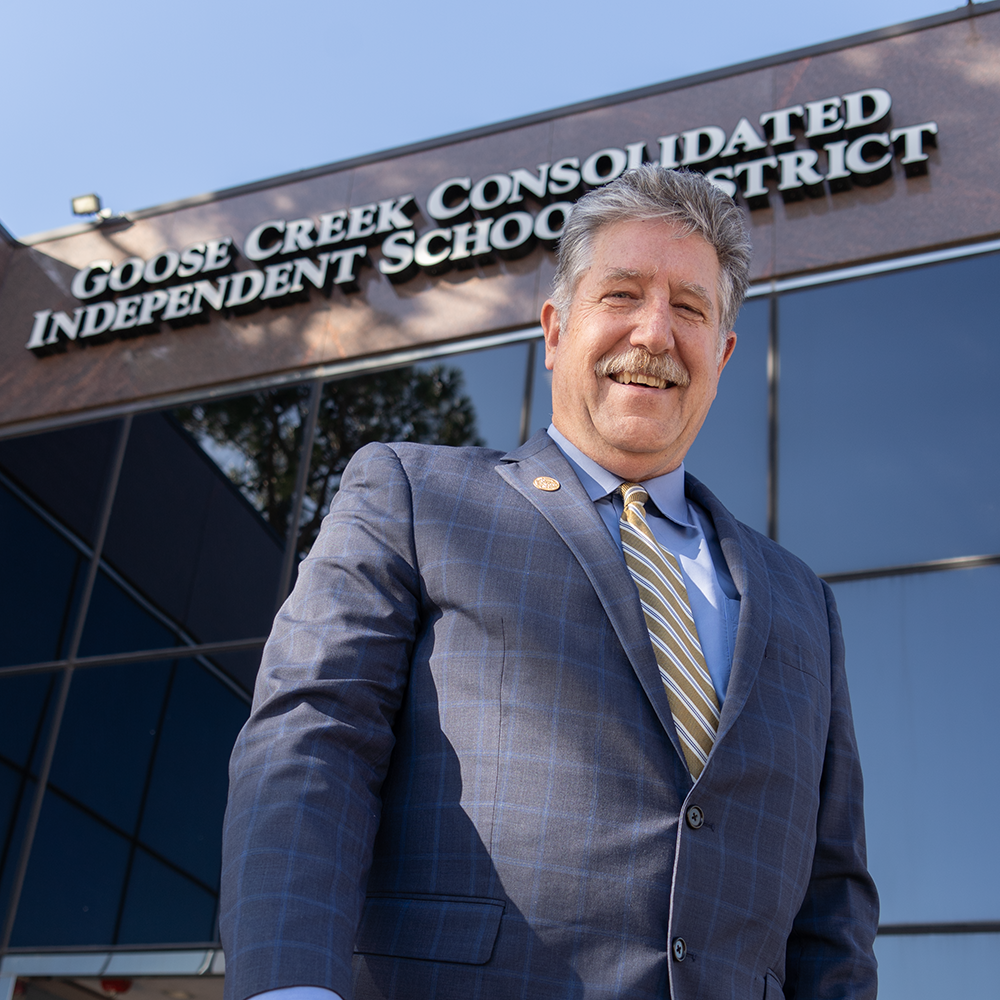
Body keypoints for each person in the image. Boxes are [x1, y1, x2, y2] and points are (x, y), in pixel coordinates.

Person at [220, 166, 878, 1000]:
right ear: (556, 328)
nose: (654, 333)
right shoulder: (415, 495)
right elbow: (312, 740)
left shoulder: (803, 603)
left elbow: (832, 896)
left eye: (690, 308)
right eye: (623, 295)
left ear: (723, 351)